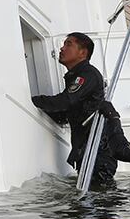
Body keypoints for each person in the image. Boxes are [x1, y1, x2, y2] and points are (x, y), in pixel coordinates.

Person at [31, 32, 117, 186]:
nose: (62, 48)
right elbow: (67, 112)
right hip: (88, 151)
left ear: (83, 52)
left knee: (97, 199)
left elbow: (64, 102)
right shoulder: (76, 76)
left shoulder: (87, 75)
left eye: (68, 44)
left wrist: (29, 100)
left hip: (97, 152)